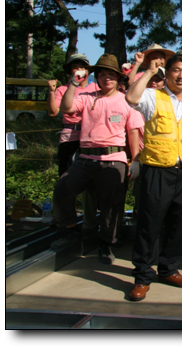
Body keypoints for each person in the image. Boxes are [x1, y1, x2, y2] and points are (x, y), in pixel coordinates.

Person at [51, 54, 143, 266]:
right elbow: (66, 108)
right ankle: (72, 230)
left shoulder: (127, 100)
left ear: (118, 78)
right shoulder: (87, 97)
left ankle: (106, 243)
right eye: (102, 74)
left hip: (114, 158)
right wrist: (73, 83)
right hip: (85, 157)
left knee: (112, 205)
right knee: (62, 189)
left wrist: (136, 160)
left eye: (111, 74)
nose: (107, 78)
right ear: (97, 77)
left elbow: (133, 132)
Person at [125, 52, 182, 302]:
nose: (181, 76)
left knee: (179, 223)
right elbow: (131, 98)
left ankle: (169, 269)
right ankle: (142, 276)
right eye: (176, 70)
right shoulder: (153, 96)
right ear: (167, 73)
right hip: (157, 169)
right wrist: (148, 71)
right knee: (150, 224)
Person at [47, 53, 100, 235]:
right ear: (70, 71)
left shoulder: (96, 87)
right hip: (70, 135)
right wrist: (51, 91)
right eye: (75, 67)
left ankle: (89, 222)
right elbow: (53, 112)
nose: (79, 70)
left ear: (88, 71)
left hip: (90, 136)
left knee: (91, 182)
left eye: (82, 67)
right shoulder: (63, 89)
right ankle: (66, 222)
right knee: (65, 179)